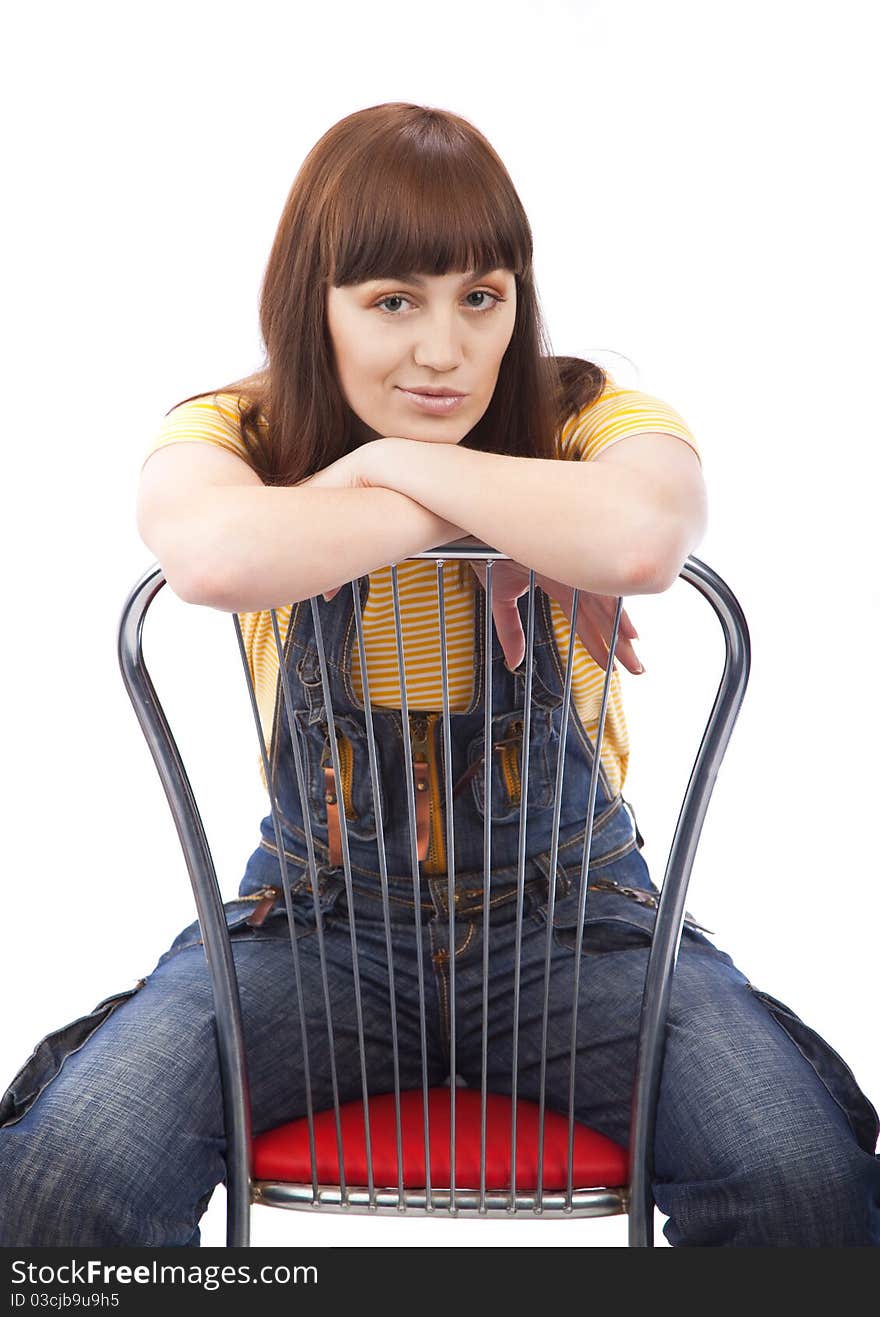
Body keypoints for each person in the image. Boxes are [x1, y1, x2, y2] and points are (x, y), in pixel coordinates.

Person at [1, 101, 877, 1249]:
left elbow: (640, 541)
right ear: (312, 308)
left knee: (801, 1181)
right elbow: (212, 555)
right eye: (392, 302)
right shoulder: (235, 432)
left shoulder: (584, 416)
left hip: (576, 928)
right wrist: (466, 495)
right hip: (312, 930)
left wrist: (385, 464)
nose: (443, 351)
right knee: (64, 1183)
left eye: (480, 297)